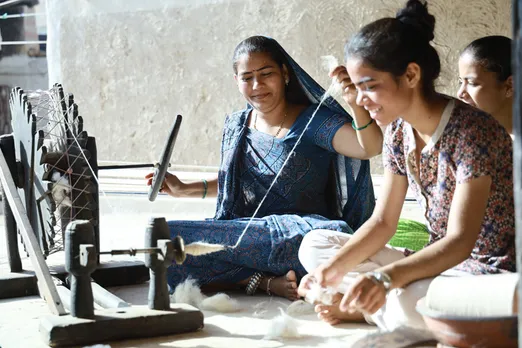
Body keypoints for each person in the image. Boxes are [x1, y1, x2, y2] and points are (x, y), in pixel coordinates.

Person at [297, 0, 515, 329]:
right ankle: (380, 303)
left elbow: (460, 241)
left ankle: (368, 307)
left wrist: (386, 279)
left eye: (369, 87)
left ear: (411, 74)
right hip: (435, 264)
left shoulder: (474, 132)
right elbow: (383, 221)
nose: (361, 99)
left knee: (412, 302)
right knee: (314, 246)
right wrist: (331, 272)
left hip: (489, 272)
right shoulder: (398, 132)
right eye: (357, 89)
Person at [146, 35, 383, 300]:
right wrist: (184, 189)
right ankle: (261, 280)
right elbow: (236, 183)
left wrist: (354, 102)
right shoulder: (238, 126)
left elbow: (368, 148)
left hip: (301, 239)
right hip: (252, 238)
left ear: (285, 74)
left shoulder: (313, 122)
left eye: (266, 74)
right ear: (237, 82)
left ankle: (249, 276)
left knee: (329, 238)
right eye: (247, 78)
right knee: (167, 239)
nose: (257, 85)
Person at [457, 35, 513, 136]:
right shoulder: (465, 138)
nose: (460, 93)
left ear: (510, 86)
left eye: (471, 83)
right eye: (461, 82)